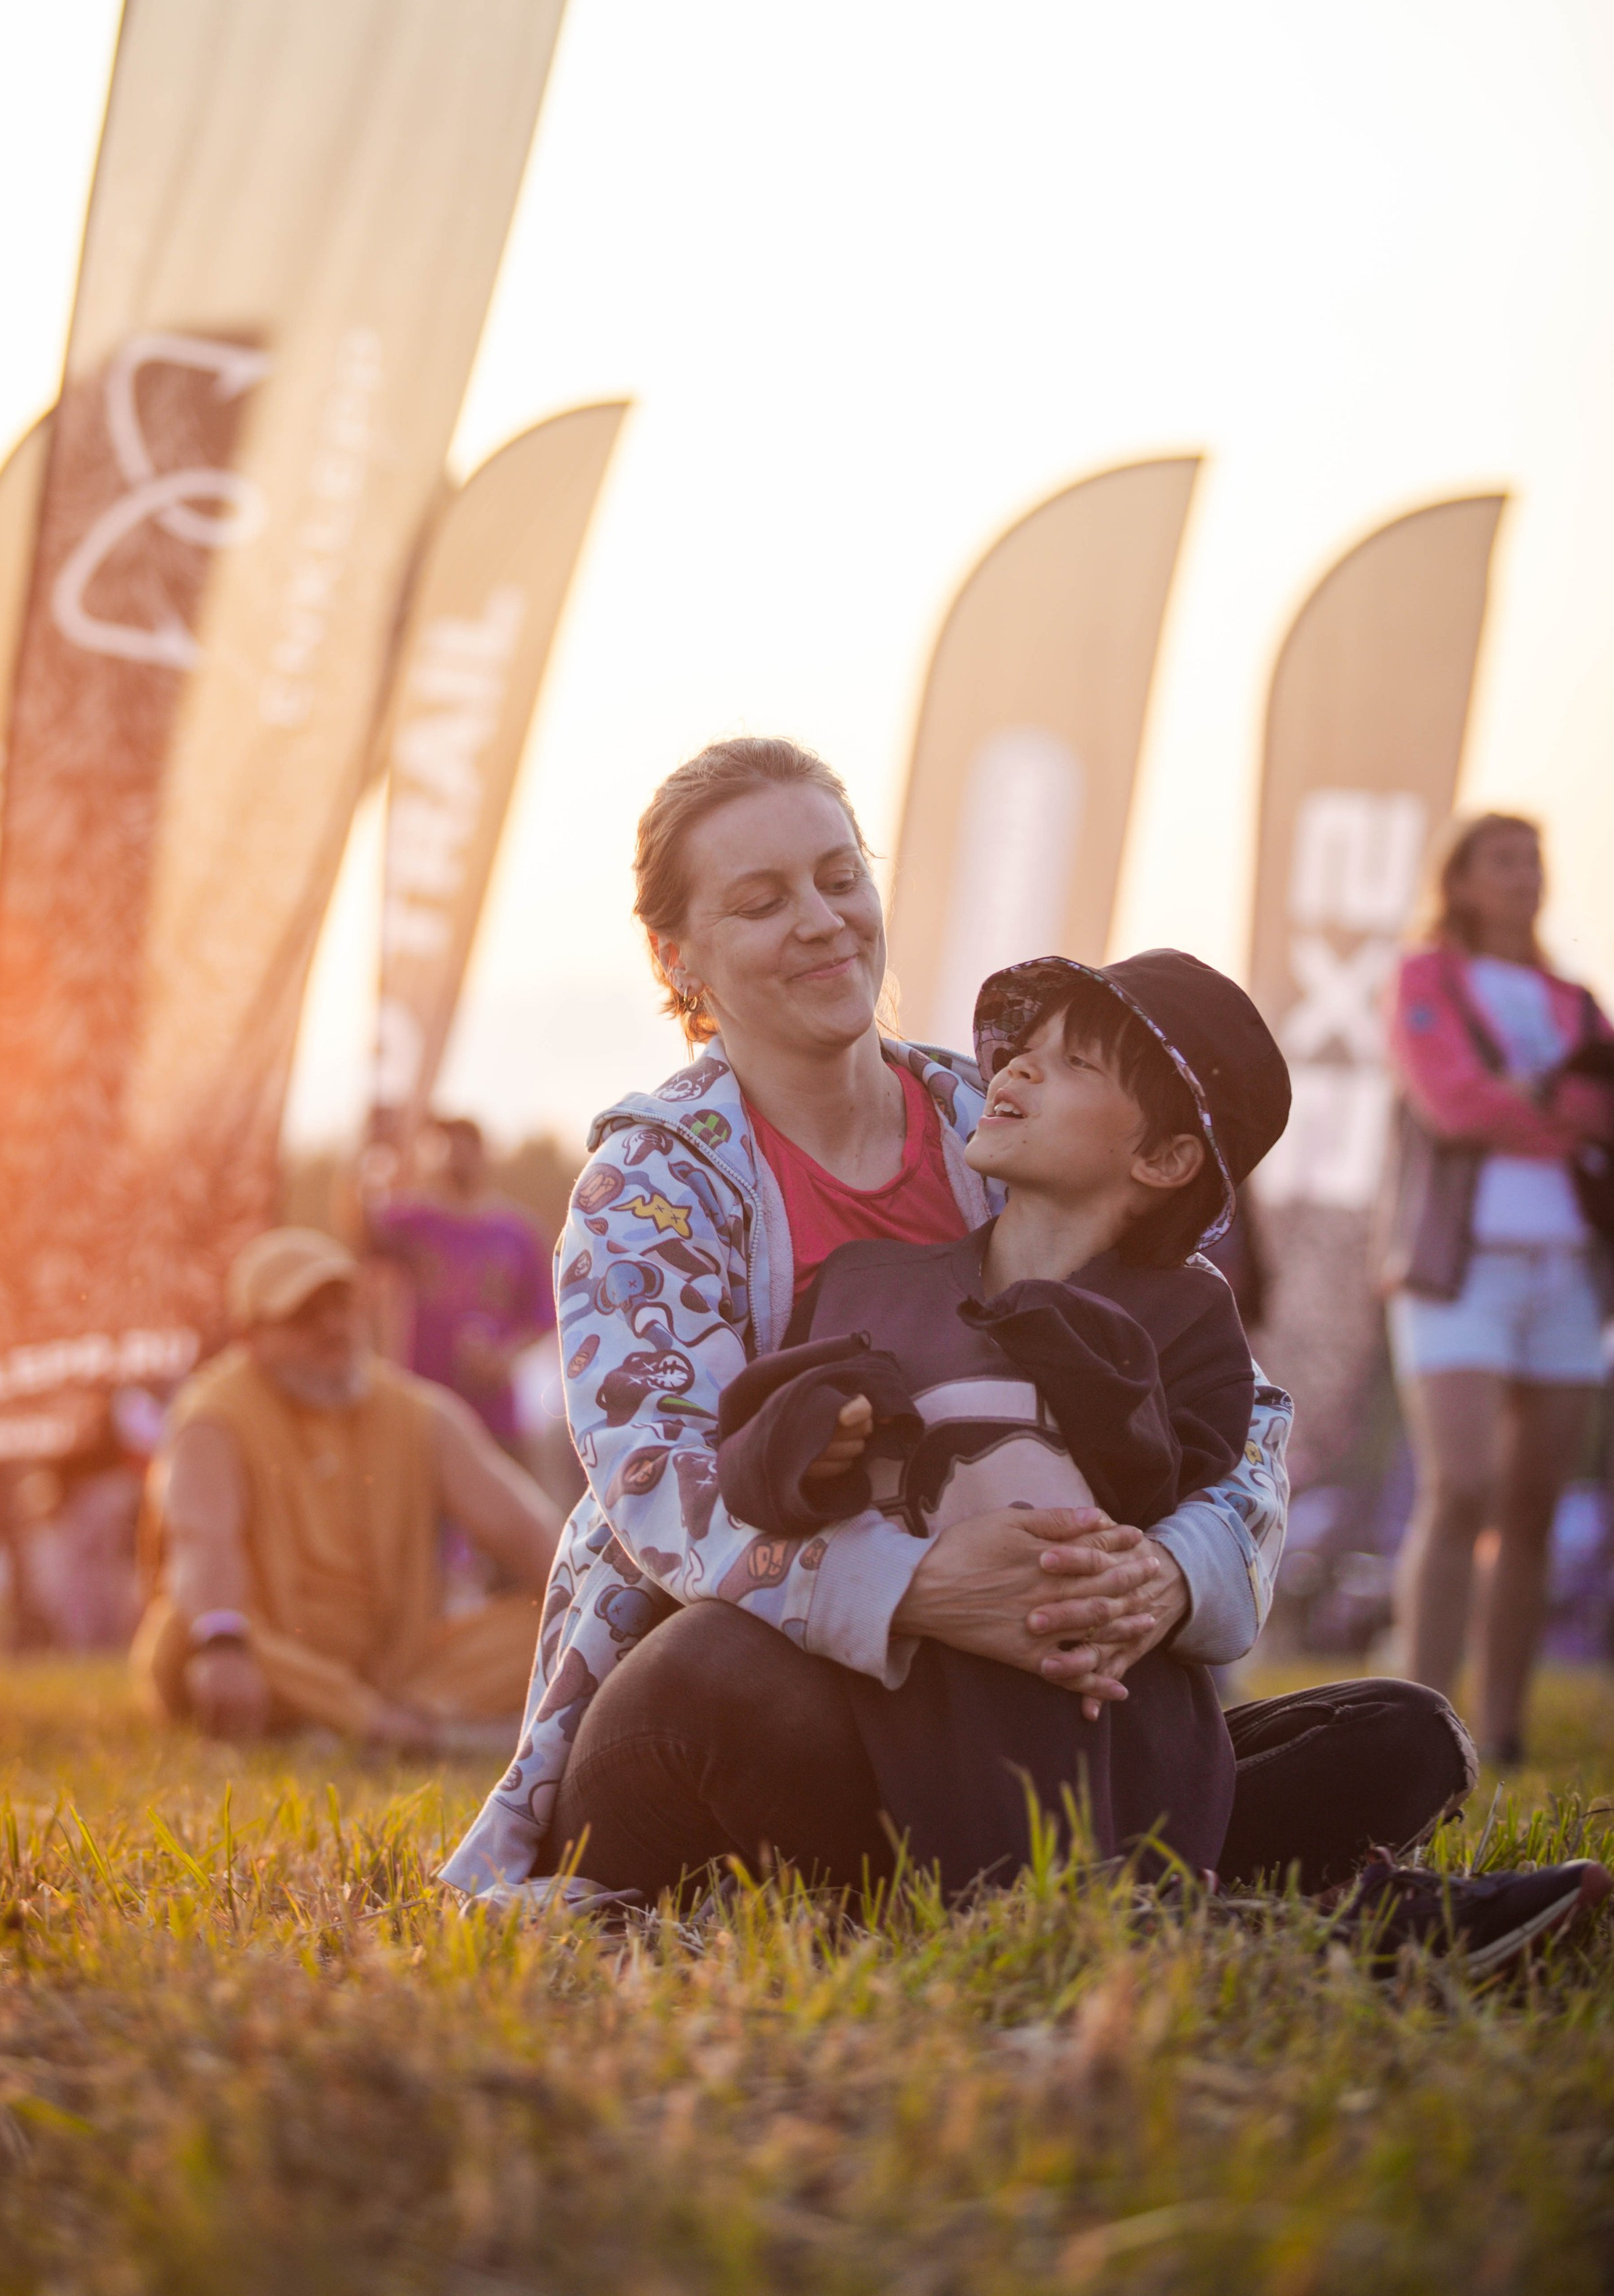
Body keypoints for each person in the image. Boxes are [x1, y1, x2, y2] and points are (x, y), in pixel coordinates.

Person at [441, 738, 1477, 1912]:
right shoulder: (649, 1189)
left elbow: (1230, 1402)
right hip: (745, 1704)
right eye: (763, 900)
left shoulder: (1009, 1119)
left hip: (1014, 1713)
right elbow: (660, 1483)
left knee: (1394, 1734)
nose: (825, 920)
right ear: (681, 957)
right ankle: (1222, 1912)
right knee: (708, 1676)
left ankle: (1090, 1883)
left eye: (840, 875)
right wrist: (920, 1584)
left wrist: (1168, 1576)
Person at [715, 950, 1287, 1896]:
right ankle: (1217, 1910)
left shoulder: (1189, 1318)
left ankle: (1161, 1899)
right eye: (1021, 1049)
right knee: (969, 1605)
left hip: (1109, 1724)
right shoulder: (872, 1283)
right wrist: (814, 1444)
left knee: (1402, 1733)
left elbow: (1166, 1482)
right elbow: (752, 1470)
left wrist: (1070, 1351)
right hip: (900, 1727)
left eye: (1071, 1064)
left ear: (1164, 1158)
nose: (1016, 1066)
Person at [133, 1227, 561, 1747]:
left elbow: (527, 1532)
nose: (332, 1327)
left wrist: (605, 1607)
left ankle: (375, 1725)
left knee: (566, 1625)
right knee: (192, 1628)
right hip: (265, 1663)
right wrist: (223, 1643)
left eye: (342, 1306)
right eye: (304, 1316)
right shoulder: (212, 1416)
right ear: (249, 1336)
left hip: (396, 1673)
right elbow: (204, 1546)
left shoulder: (421, 1415)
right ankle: (394, 1730)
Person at [1382, 812, 1614, 1766]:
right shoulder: (1423, 979)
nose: (1524, 877)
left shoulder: (1576, 999)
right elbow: (1452, 1101)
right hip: (1456, 1270)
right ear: (1463, 881)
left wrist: (1523, 1103)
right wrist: (1556, 1110)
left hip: (1567, 1273)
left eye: (1534, 861)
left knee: (1532, 1505)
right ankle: (1413, 1725)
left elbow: (1604, 1105)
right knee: (1461, 1485)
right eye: (1503, 861)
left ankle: (1504, 1729)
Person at [365, 1118, 556, 1455]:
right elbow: (361, 1229)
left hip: (493, 1416)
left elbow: (543, 1316)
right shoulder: (416, 1221)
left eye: (465, 1149)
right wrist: (375, 1152)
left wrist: (504, 1358)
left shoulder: (517, 1232)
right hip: (423, 1405)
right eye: (447, 1150)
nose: (456, 1159)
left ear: (483, 1155)